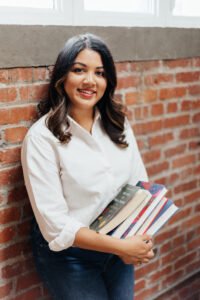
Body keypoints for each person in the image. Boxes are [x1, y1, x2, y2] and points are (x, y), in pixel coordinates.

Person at [21, 33, 154, 300]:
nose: (90, 81)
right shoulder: (42, 138)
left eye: (100, 72)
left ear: (108, 80)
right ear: (62, 77)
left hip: (120, 248)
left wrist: (141, 242)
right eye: (79, 70)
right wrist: (122, 246)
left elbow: (140, 188)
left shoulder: (118, 125)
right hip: (71, 257)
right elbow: (56, 225)